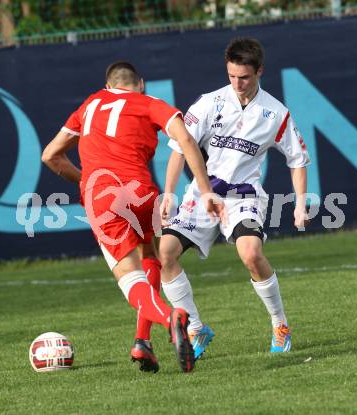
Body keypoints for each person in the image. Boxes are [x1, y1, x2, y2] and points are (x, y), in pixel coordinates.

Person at [41, 61, 224, 373]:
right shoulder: (149, 102)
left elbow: (50, 155)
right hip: (142, 193)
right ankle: (142, 342)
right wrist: (205, 191)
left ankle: (171, 317)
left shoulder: (90, 104)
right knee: (150, 253)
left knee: (129, 280)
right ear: (140, 84)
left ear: (108, 84)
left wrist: (85, 181)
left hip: (103, 198)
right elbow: (186, 140)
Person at [159, 38, 310, 358]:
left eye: (244, 77)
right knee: (165, 253)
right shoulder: (208, 103)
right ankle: (197, 330)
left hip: (243, 196)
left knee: (252, 254)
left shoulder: (275, 113)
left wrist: (299, 203)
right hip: (202, 193)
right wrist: (169, 194)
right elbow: (178, 149)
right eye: (231, 76)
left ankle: (280, 324)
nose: (237, 83)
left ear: (259, 72)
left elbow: (297, 160)